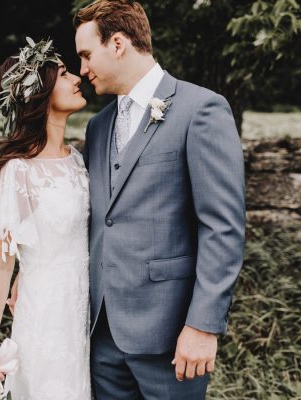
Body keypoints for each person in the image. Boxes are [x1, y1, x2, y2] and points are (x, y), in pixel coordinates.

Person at [73, 0, 246, 398]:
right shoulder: (99, 128)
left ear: (117, 44)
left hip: (170, 336)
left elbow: (222, 226)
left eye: (86, 54)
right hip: (102, 335)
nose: (83, 69)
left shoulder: (200, 110)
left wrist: (203, 326)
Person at [0, 38, 91, 400]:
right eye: (65, 73)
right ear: (40, 93)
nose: (77, 78)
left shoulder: (78, 160)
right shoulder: (17, 174)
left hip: (85, 307)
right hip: (47, 315)